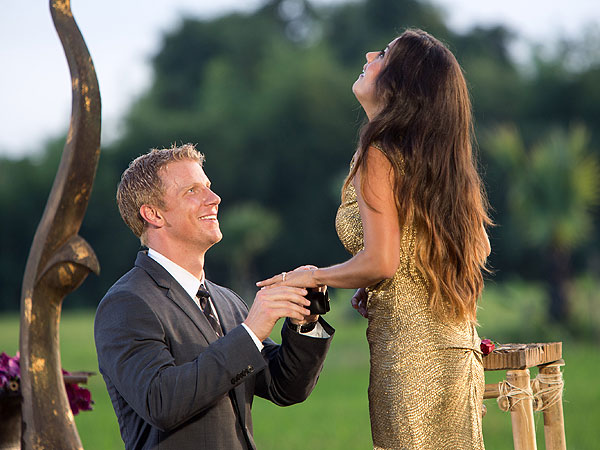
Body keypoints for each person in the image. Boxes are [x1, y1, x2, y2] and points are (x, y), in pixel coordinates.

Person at [258, 29, 491, 449]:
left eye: (383, 54)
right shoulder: (437, 159)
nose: (369, 55)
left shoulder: (381, 152)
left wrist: (315, 275)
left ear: (403, 82)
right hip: (457, 349)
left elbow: (383, 260)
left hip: (412, 357)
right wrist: (383, 283)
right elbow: (477, 248)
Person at [94, 144, 334, 450]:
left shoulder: (226, 301)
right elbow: (161, 401)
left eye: (208, 186)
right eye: (192, 191)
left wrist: (305, 320)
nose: (214, 198)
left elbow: (284, 387)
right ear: (153, 214)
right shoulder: (126, 303)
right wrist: (251, 333)